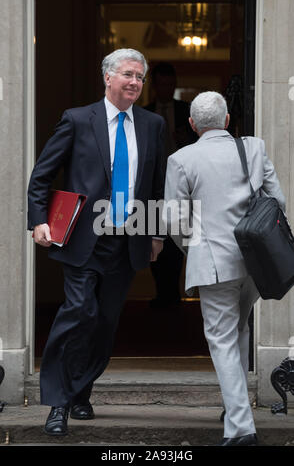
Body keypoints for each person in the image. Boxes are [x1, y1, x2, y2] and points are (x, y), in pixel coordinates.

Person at [27, 48, 165, 436]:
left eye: (140, 77)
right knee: (78, 313)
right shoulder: (77, 120)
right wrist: (38, 221)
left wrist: (155, 232)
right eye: (128, 75)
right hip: (83, 240)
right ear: (108, 77)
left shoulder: (152, 125)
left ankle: (80, 390)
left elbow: (155, 184)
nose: (135, 82)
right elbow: (42, 175)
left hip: (127, 241)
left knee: (104, 324)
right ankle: (58, 404)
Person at [163, 91, 286, 446]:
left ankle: (241, 428)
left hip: (215, 263)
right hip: (257, 261)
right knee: (239, 332)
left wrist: (194, 248)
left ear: (191, 125)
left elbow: (174, 221)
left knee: (222, 340)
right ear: (228, 120)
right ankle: (236, 407)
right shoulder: (254, 148)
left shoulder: (181, 159)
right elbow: (277, 202)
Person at [145, 62, 198, 309]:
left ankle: (173, 293)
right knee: (154, 240)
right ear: (154, 86)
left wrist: (187, 140)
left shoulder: (188, 112)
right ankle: (161, 292)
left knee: (177, 240)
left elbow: (201, 147)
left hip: (182, 187)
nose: (166, 88)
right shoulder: (142, 113)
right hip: (152, 187)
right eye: (161, 84)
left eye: (170, 84)